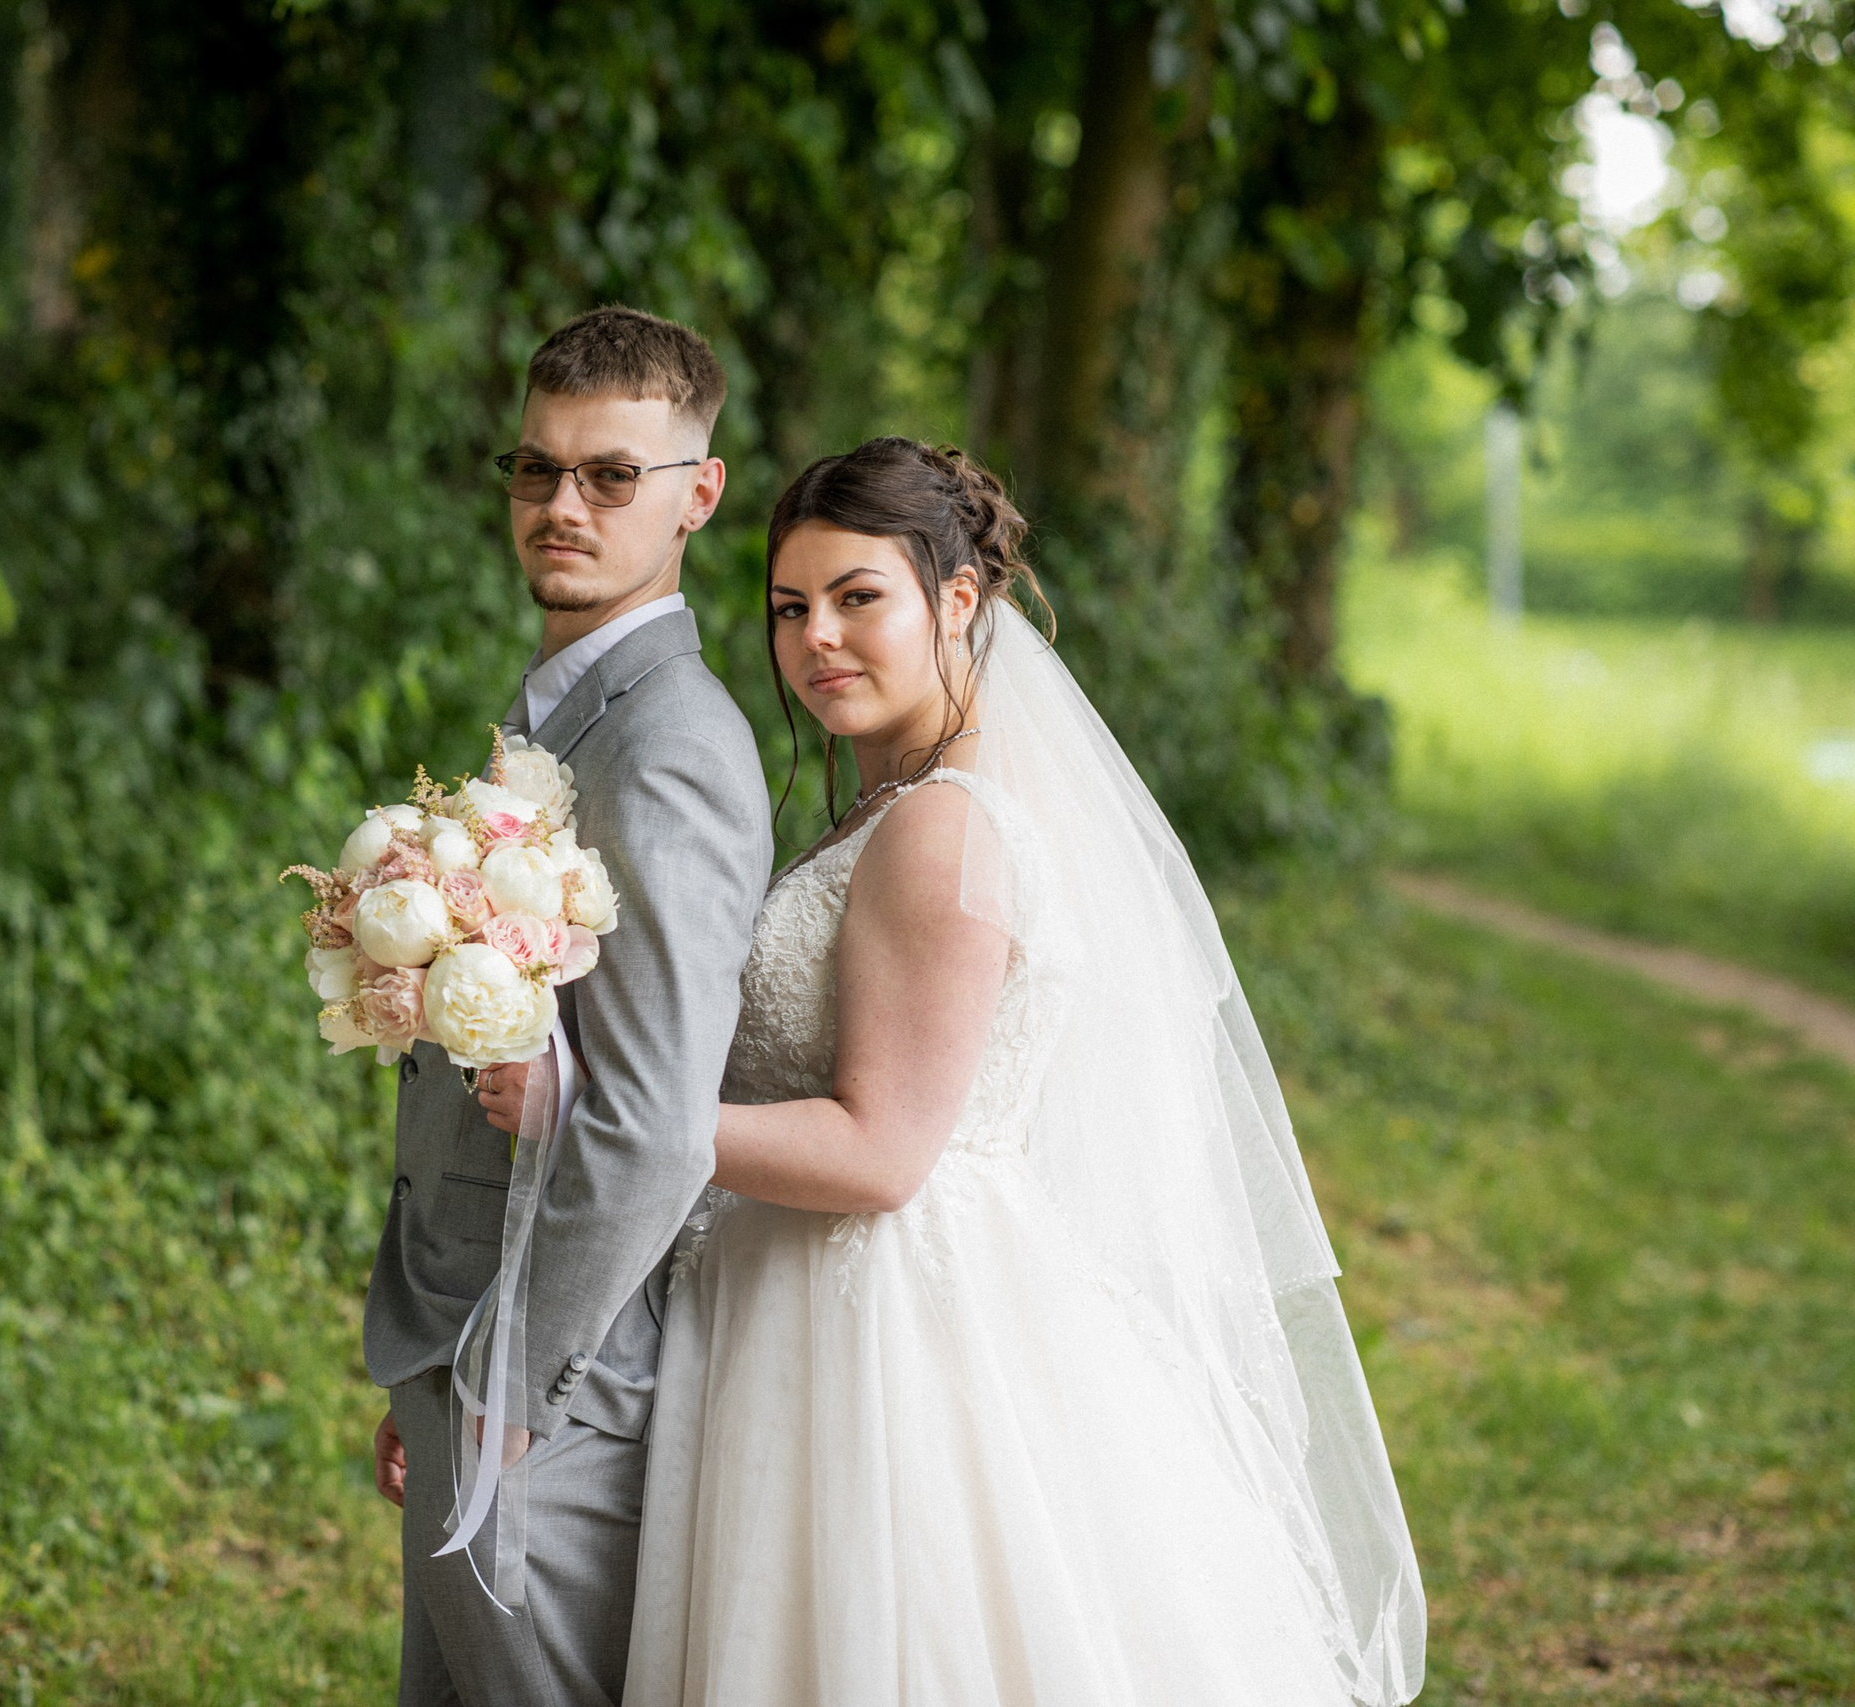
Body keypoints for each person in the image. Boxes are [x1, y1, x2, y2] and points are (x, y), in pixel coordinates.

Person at [488, 437, 1425, 1705]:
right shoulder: (900, 807)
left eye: (857, 597)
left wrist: (591, 1110)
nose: (816, 637)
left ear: (959, 602)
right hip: (799, 1290)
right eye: (788, 607)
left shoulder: (938, 832)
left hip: (879, 1324)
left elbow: (883, 1155)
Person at [362, 305, 774, 1706]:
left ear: (698, 494)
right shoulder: (563, 710)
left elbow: (655, 1122)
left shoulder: (669, 750)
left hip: (559, 1377)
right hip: (468, 1324)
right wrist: (432, 1354)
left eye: (612, 475)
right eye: (537, 469)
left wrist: (504, 1387)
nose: (561, 505)